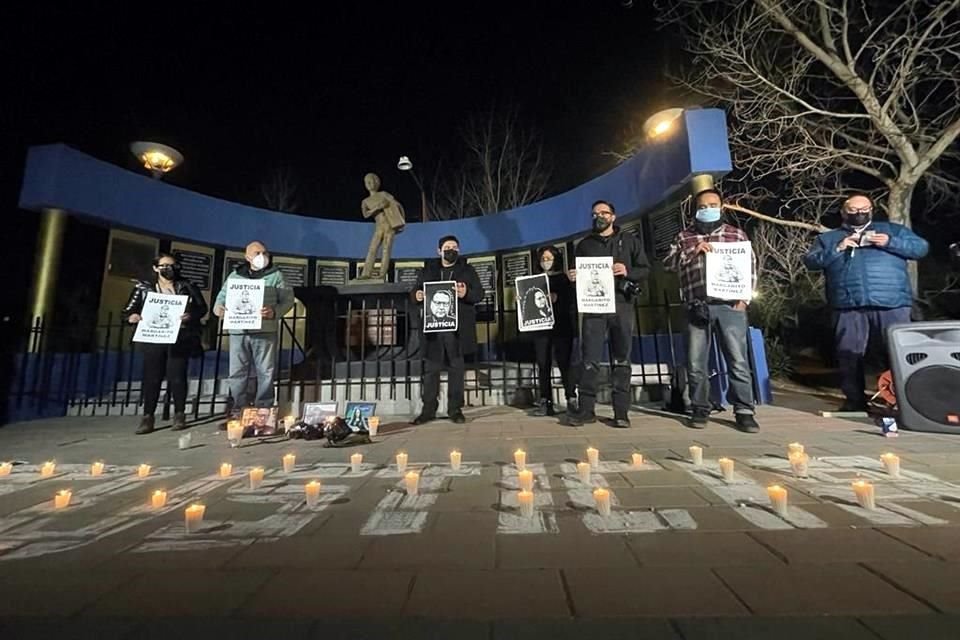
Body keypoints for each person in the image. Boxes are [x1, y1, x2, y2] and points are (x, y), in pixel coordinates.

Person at [804, 193, 929, 412]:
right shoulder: (830, 238)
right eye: (853, 210)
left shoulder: (892, 230)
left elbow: (920, 249)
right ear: (844, 212)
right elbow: (811, 261)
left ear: (871, 210)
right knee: (848, 353)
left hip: (892, 302)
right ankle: (854, 401)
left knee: (899, 353)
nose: (859, 214)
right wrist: (839, 248)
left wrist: (891, 242)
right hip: (848, 303)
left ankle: (907, 400)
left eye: (864, 209)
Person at [665, 187, 760, 433]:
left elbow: (750, 265)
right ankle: (699, 407)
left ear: (721, 207)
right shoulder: (684, 236)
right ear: (696, 210)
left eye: (713, 205)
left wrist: (745, 298)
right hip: (697, 305)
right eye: (703, 206)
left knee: (737, 360)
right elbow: (668, 264)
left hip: (730, 305)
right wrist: (692, 253)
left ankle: (744, 410)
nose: (708, 209)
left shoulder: (736, 234)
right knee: (696, 362)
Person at [567, 200, 649, 428]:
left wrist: (628, 271)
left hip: (622, 307)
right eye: (594, 214)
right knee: (589, 360)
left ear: (613, 216)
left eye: (604, 213)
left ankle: (621, 412)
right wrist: (573, 277)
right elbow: (578, 276)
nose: (598, 217)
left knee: (621, 359)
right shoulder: (584, 245)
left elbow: (645, 269)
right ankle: (586, 410)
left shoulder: (630, 241)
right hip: (594, 308)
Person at [123, 252, 207, 434]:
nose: (169, 269)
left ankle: (179, 414)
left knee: (177, 377)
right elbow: (128, 310)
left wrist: (190, 315)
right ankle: (148, 416)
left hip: (179, 338)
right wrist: (132, 317)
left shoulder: (187, 286)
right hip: (153, 338)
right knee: (152, 377)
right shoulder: (144, 288)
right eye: (164, 266)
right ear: (155, 268)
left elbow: (202, 308)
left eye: (172, 265)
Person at [213, 241, 295, 420]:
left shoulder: (276, 276)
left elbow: (288, 300)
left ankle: (264, 409)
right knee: (237, 372)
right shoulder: (235, 276)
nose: (262, 256)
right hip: (239, 331)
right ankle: (238, 408)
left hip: (265, 331)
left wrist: (274, 312)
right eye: (257, 252)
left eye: (265, 252)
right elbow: (221, 298)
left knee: (266, 371)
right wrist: (219, 308)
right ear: (247, 257)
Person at [410, 235, 484, 425]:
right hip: (433, 331)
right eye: (447, 246)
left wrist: (466, 293)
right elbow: (415, 292)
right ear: (439, 250)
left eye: (455, 247)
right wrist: (417, 295)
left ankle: (455, 409)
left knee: (456, 370)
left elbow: (479, 294)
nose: (451, 249)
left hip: (457, 331)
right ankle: (428, 410)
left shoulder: (467, 270)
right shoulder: (428, 270)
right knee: (431, 371)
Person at [530, 245, 578, 416]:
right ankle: (545, 401)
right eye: (543, 259)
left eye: (549, 258)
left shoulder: (564, 279)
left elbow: (571, 301)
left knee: (565, 363)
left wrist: (557, 297)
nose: (546, 262)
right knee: (543, 365)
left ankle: (571, 398)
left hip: (561, 326)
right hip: (541, 328)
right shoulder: (534, 280)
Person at [359, 172, 406, 280]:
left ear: (377, 182)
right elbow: (366, 215)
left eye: (372, 181)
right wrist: (378, 207)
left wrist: (402, 222)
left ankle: (382, 274)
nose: (369, 183)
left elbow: (398, 206)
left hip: (389, 227)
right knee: (372, 249)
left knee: (386, 250)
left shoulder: (384, 194)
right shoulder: (365, 201)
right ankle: (366, 273)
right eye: (367, 182)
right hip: (379, 227)